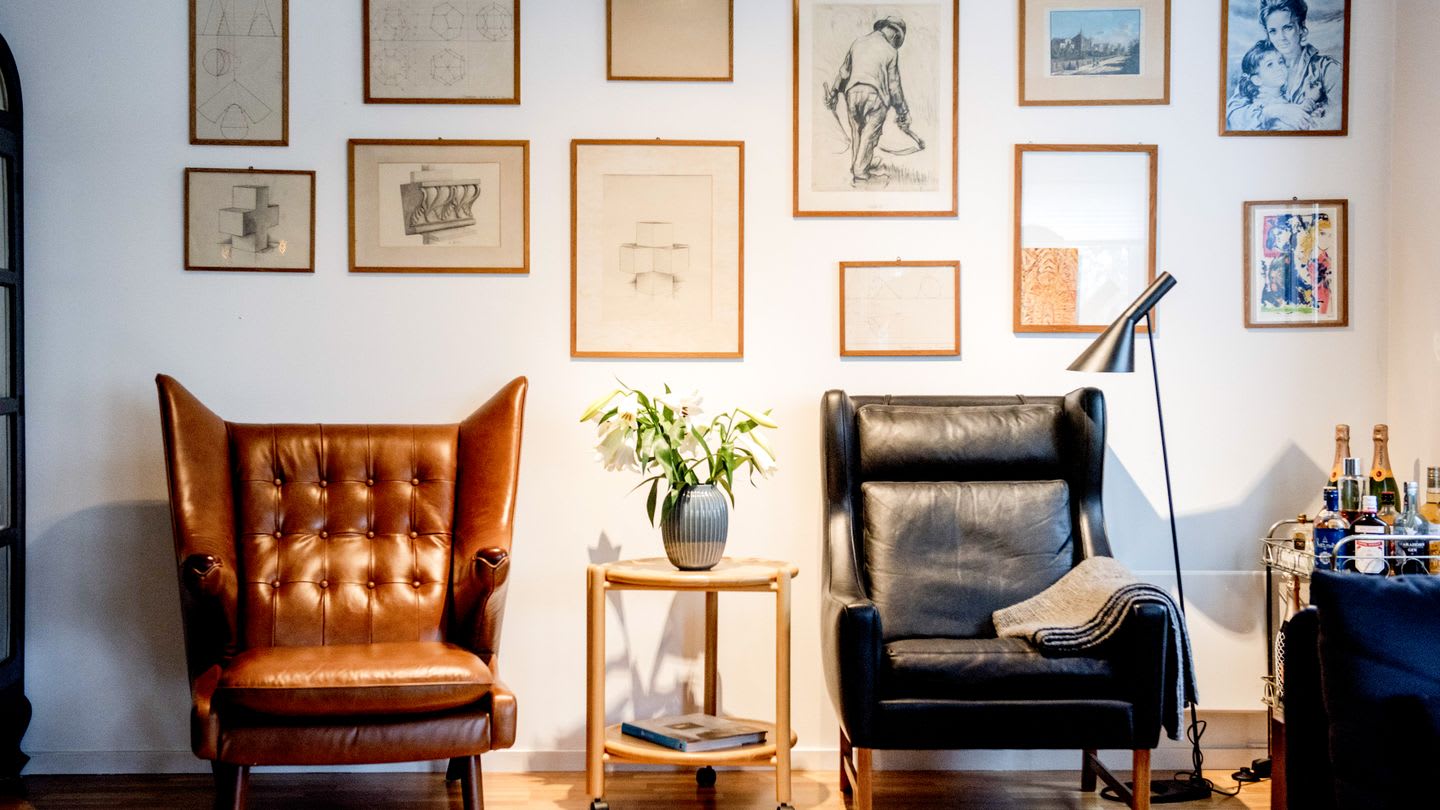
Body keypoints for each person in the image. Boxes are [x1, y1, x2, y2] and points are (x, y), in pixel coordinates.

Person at [824, 16, 914, 183]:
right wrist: (903, 112)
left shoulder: (858, 43)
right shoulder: (890, 51)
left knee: (857, 131)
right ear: (895, 35)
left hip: (852, 94)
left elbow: (844, 72)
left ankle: (856, 165)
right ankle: (861, 172)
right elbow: (894, 86)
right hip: (876, 96)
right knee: (870, 134)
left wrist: (834, 93)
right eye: (897, 40)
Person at [1229, 0, 1342, 131]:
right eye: (1273, 31)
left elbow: (1337, 121)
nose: (1281, 37)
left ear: (1301, 27)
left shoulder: (1327, 69)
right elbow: (1233, 116)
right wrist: (1274, 111)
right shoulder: (1259, 67)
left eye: (1287, 28)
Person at [1225, 39, 1288, 131]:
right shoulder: (1257, 108)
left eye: (1280, 62)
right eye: (1270, 65)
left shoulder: (1289, 96)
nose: (1279, 68)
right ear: (1257, 80)